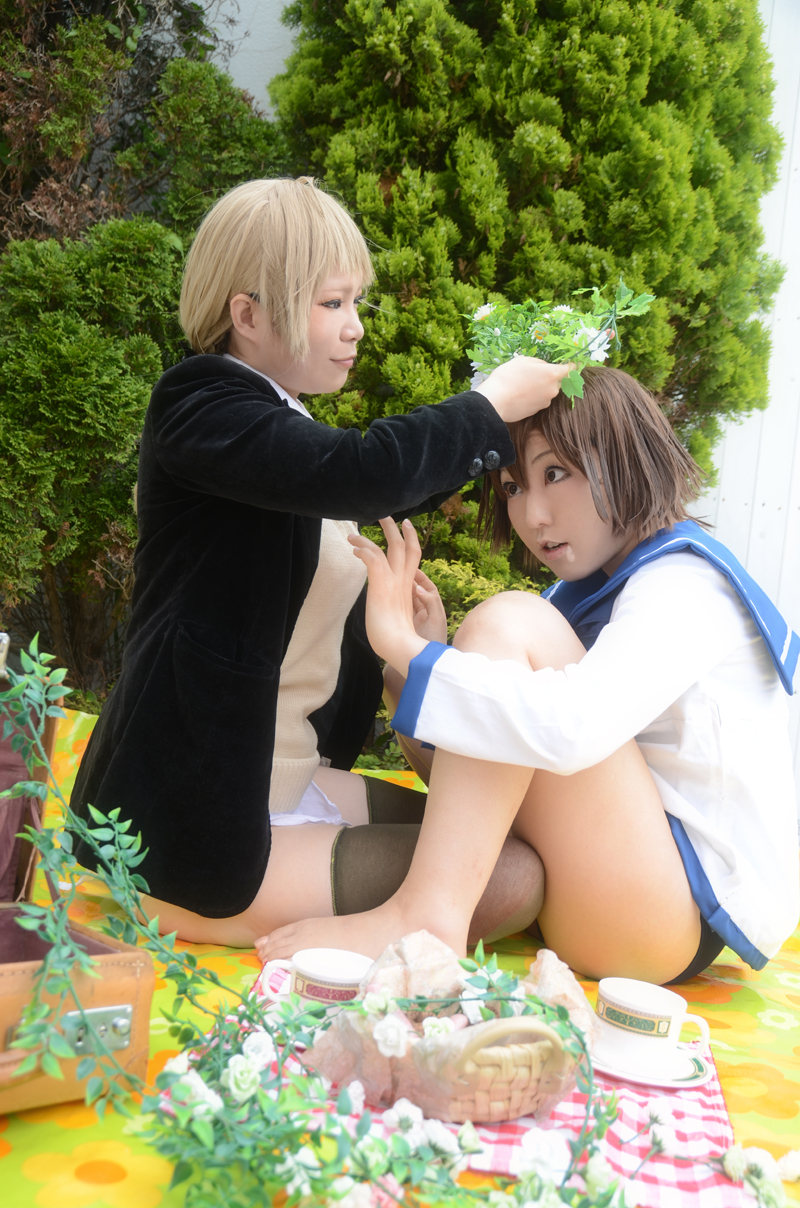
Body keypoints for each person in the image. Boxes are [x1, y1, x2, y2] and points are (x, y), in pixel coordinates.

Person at [70, 176, 573, 947]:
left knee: (498, 835)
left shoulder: (278, 423)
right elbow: (365, 472)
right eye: (333, 303)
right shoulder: (200, 404)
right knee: (511, 878)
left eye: (356, 302)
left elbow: (368, 489)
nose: (356, 326)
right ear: (248, 315)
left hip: (285, 777)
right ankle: (192, 908)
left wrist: (405, 631)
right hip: (198, 814)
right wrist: (489, 403)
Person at [259, 367, 799, 984]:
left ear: (625, 455)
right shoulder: (582, 597)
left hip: (662, 918)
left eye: (555, 473)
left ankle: (426, 918)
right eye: (513, 486)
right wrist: (416, 660)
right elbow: (478, 781)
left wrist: (408, 648)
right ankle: (395, 901)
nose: (533, 514)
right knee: (317, 792)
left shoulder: (685, 586)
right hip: (607, 892)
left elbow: (570, 731)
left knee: (508, 620)